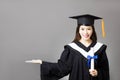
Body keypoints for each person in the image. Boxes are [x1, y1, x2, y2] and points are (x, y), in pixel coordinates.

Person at [25, 14, 110, 80]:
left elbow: (105, 71)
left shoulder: (100, 48)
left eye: (89, 29)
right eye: (82, 29)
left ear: (93, 30)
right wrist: (42, 63)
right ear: (78, 30)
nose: (86, 32)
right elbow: (62, 68)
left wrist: (97, 73)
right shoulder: (72, 49)